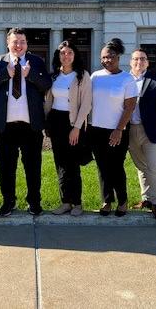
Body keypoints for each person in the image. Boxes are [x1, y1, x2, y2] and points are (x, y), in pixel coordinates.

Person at [0, 28, 52, 216]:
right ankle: (8, 201)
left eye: (22, 41)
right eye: (15, 41)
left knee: (33, 166)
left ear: (27, 44)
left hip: (31, 126)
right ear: (8, 43)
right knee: (6, 167)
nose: (18, 45)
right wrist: (6, 74)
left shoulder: (36, 62)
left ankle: (34, 201)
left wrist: (30, 75)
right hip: (5, 126)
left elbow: (46, 84)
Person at [89, 38, 137, 217]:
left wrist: (118, 130)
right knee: (102, 167)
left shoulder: (127, 79)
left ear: (118, 57)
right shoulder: (95, 76)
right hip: (96, 129)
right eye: (103, 57)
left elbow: (130, 106)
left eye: (110, 56)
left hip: (118, 130)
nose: (107, 60)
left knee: (116, 167)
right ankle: (107, 200)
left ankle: (123, 201)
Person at [44, 40, 92, 216]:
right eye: (63, 53)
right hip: (56, 121)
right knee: (61, 164)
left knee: (73, 164)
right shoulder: (54, 76)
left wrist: (77, 127)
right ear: (58, 56)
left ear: (75, 55)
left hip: (73, 123)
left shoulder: (82, 75)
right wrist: (47, 123)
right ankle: (65, 202)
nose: (66, 56)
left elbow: (86, 104)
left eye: (69, 52)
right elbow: (49, 100)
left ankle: (77, 203)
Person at [128, 48, 156, 221]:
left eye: (142, 59)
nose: (139, 62)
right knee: (141, 166)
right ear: (130, 62)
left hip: (152, 131)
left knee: (153, 167)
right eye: (135, 59)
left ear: (147, 62)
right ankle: (146, 199)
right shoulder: (125, 80)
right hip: (130, 130)